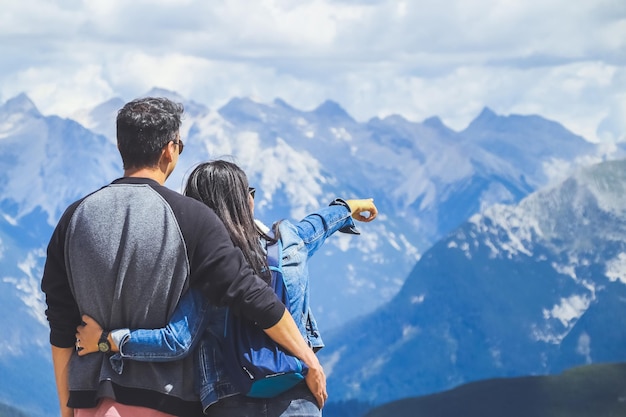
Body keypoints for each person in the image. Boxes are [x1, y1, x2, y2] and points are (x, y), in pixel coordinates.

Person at [41, 98, 327, 417]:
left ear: (120, 144)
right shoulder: (192, 218)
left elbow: (61, 323)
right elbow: (251, 295)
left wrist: (68, 410)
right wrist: (308, 359)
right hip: (166, 403)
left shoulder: (74, 218)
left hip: (91, 402)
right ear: (170, 149)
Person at [74, 160, 378, 416]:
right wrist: (349, 207)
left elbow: (176, 341)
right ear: (245, 199)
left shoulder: (207, 266)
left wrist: (106, 341)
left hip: (228, 398)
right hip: (296, 390)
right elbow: (319, 225)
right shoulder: (290, 242)